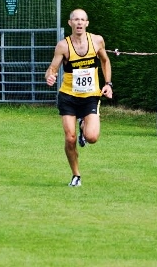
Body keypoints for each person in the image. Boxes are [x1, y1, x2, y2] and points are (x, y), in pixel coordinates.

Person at [45, 9, 113, 187]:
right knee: (70, 138)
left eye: (82, 20)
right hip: (68, 96)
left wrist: (108, 84)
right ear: (70, 23)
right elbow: (52, 68)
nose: (79, 23)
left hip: (90, 96)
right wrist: (49, 76)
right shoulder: (63, 46)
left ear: (87, 23)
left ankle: (84, 126)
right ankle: (76, 175)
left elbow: (105, 61)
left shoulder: (97, 40)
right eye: (76, 20)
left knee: (92, 138)